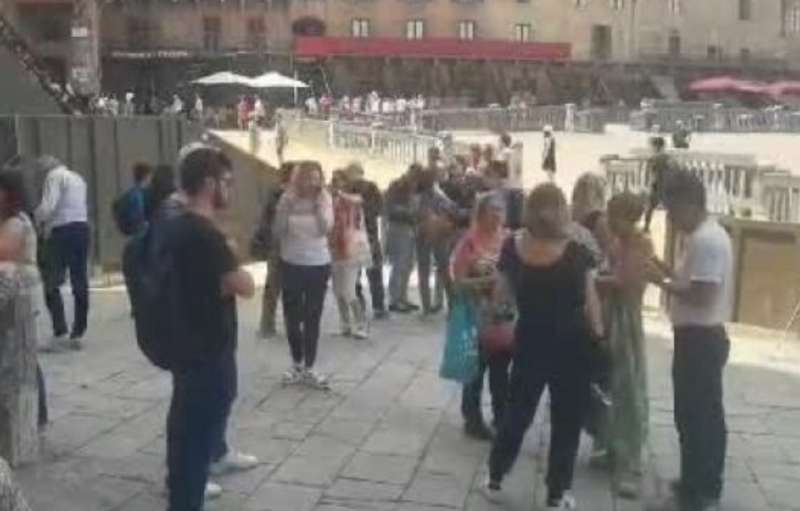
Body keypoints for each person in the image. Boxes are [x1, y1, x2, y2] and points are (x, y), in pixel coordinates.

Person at [484, 183, 603, 510]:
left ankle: (495, 476)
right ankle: (556, 493)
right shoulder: (579, 253)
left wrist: (498, 318)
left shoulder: (512, 247)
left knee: (518, 410)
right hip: (573, 344)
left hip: (531, 339)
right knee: (567, 419)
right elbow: (592, 304)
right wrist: (602, 338)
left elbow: (501, 297)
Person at [164, 144, 258, 511]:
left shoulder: (174, 222)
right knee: (198, 432)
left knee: (185, 429)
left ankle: (184, 492)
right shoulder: (204, 234)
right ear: (208, 183)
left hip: (186, 342)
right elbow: (245, 285)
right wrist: (233, 259)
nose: (230, 190)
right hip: (208, 347)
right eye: (226, 182)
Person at [648, 172, 733, 511]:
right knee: (690, 414)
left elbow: (702, 294)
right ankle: (693, 480)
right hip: (692, 336)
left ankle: (701, 489)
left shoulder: (707, 241)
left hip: (702, 337)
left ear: (689, 204)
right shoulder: (698, 237)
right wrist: (661, 267)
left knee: (701, 417)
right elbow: (689, 279)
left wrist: (660, 282)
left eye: (672, 209)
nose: (670, 217)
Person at [598, 192, 653, 499]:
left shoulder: (641, 242)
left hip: (626, 319)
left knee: (629, 388)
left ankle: (631, 461)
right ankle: (612, 446)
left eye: (612, 214)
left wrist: (593, 279)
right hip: (610, 315)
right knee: (609, 387)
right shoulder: (616, 241)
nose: (608, 220)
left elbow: (624, 280)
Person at [451, 192, 511, 440]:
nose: (497, 214)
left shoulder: (509, 240)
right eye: (492, 210)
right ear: (481, 213)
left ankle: (502, 418)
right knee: (475, 371)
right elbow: (459, 281)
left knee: (501, 372)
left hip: (504, 318)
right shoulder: (469, 243)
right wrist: (488, 280)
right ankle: (472, 419)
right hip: (475, 316)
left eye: (500, 209)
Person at [273, 161, 334, 389]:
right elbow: (277, 231)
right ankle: (296, 362)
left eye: (315, 177)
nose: (311, 182)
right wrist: (286, 207)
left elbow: (325, 229)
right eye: (306, 177)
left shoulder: (324, 198)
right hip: (291, 262)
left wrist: (317, 207)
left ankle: (310, 366)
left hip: (318, 264)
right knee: (291, 317)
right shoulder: (286, 198)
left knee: (312, 316)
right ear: (296, 179)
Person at [0, 170, 48, 427]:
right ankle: (36, 413)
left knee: (22, 356)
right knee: (22, 355)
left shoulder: (16, 223)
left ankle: (33, 414)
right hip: (13, 295)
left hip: (19, 296)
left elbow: (3, 252)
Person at [34, 156, 90, 351]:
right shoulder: (78, 178)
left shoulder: (54, 176)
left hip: (61, 232)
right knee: (80, 280)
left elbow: (48, 206)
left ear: (48, 167)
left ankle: (60, 332)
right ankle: (78, 333)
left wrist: (36, 219)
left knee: (51, 281)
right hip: (82, 229)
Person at [252, 163, 293, 339]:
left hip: (280, 244)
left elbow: (264, 219)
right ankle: (277, 325)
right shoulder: (283, 194)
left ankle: (267, 325)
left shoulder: (275, 193)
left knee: (273, 287)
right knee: (285, 287)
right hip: (285, 244)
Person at [330, 170, 370, 339]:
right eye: (334, 181)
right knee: (337, 290)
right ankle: (345, 324)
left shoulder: (352, 200)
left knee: (349, 290)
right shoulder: (331, 202)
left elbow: (358, 201)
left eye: (339, 181)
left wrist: (339, 194)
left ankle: (361, 324)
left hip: (351, 249)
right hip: (334, 249)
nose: (335, 184)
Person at [345, 163, 387, 320]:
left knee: (370, 272)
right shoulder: (347, 189)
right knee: (360, 274)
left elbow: (379, 208)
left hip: (365, 234)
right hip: (358, 235)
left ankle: (375, 306)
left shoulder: (369, 188)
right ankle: (369, 306)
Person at [385, 166, 420, 313]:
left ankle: (403, 297)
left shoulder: (414, 187)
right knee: (399, 264)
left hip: (410, 227)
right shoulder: (397, 185)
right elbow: (389, 207)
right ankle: (394, 299)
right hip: (399, 226)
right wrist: (408, 211)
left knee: (408, 264)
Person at [643, 136, 674, 233]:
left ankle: (646, 227)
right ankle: (671, 228)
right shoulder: (668, 158)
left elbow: (648, 173)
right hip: (667, 185)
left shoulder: (652, 158)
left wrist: (646, 184)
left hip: (656, 184)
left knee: (650, 207)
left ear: (655, 146)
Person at [115, 162, 152, 236]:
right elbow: (138, 216)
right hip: (140, 233)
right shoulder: (137, 195)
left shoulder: (131, 193)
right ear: (146, 177)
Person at [497, 133, 524, 229]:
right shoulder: (516, 153)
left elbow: (501, 174)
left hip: (507, 188)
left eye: (498, 142)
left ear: (502, 142)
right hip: (518, 187)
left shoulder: (503, 154)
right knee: (517, 222)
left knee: (507, 222)